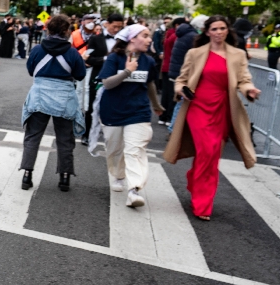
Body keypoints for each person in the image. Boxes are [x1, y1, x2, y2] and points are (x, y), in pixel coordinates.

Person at [165, 16, 261, 220]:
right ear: (207, 31)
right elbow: (181, 79)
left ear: (228, 31)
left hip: (223, 109)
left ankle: (195, 181)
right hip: (197, 106)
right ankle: (202, 205)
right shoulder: (195, 53)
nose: (219, 32)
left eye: (222, 28)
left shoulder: (237, 55)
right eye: (214, 29)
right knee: (207, 150)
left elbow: (244, 79)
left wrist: (249, 90)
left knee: (211, 155)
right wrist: (182, 90)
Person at [98, 24, 163, 208]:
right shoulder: (114, 58)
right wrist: (127, 71)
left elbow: (150, 84)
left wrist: (156, 105)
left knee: (135, 150)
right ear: (132, 38)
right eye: (145, 35)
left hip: (138, 112)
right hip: (113, 111)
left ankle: (134, 189)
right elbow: (107, 84)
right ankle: (118, 175)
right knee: (114, 148)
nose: (149, 39)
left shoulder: (149, 61)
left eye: (149, 36)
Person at [20, 15, 86, 192]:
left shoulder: (38, 50)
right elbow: (80, 75)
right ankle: (64, 177)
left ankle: (27, 174)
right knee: (65, 139)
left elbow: (30, 70)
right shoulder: (72, 52)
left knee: (32, 136)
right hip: (64, 98)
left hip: (39, 96)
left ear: (48, 30)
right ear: (66, 31)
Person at [81, 12, 126, 144]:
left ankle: (112, 135)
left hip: (117, 77)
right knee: (91, 106)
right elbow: (89, 59)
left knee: (115, 106)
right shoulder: (95, 39)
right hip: (98, 76)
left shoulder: (123, 41)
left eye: (120, 27)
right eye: (114, 26)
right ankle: (86, 133)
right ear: (107, 24)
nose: (116, 30)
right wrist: (106, 59)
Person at [160, 17, 185, 125]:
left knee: (166, 93)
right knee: (172, 94)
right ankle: (169, 117)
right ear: (177, 25)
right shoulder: (176, 36)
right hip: (173, 67)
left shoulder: (168, 34)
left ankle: (162, 116)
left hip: (166, 66)